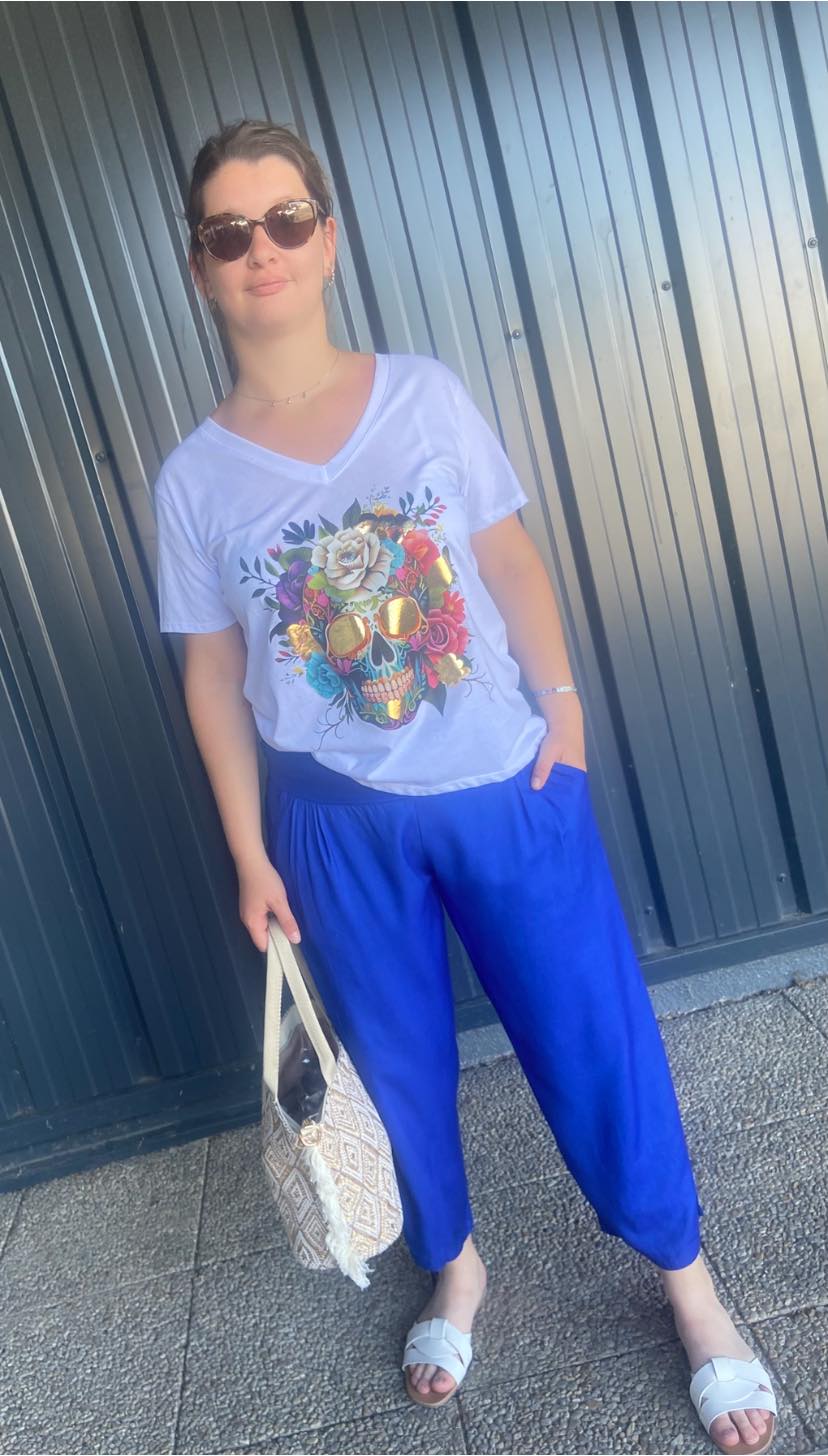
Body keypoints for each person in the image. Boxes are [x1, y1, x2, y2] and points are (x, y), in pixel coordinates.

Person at [153, 117, 777, 1455]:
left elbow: (509, 560)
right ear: (199, 266)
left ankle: (691, 1287)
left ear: (329, 239)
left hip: (506, 783)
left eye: (286, 219)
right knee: (396, 1067)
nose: (262, 249)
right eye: (228, 231)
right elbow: (212, 677)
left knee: (592, 1032)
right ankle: (458, 1268)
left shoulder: (424, 396)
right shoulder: (194, 480)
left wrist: (567, 713)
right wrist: (251, 851)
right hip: (334, 823)